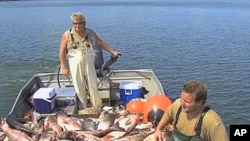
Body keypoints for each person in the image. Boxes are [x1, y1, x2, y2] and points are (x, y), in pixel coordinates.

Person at [59, 12, 122, 109]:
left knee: (93, 85)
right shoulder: (67, 35)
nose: (77, 25)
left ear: (85, 23)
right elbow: (62, 51)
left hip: (89, 62)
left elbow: (100, 42)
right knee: (79, 87)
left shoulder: (91, 33)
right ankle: (83, 108)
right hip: (75, 64)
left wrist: (112, 52)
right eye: (75, 23)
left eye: (80, 23)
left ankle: (97, 107)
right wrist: (64, 67)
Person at [154, 80, 229, 141]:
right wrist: (158, 129)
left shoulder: (212, 121)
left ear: (200, 102)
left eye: (187, 102)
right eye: (182, 99)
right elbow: (168, 113)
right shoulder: (178, 106)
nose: (182, 103)